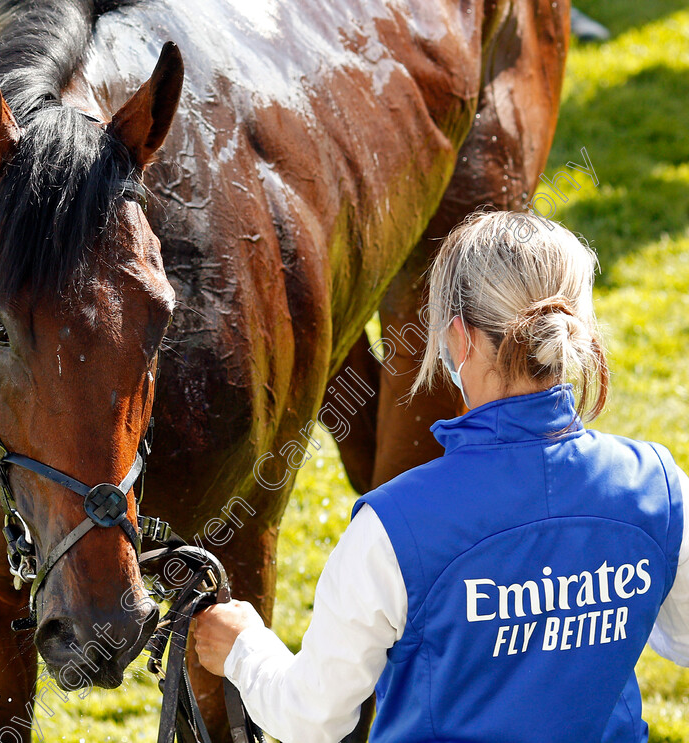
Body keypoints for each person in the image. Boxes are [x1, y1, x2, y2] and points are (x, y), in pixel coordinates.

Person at [193, 210, 689, 743]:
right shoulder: (658, 485)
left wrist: (244, 648)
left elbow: (315, 719)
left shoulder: (394, 525)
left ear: (460, 338)